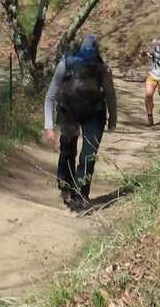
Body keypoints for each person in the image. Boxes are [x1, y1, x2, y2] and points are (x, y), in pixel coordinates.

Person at [43, 33, 118, 210]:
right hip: (69, 111)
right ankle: (65, 186)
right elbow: (50, 96)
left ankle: (80, 194)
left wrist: (112, 119)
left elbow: (110, 94)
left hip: (95, 113)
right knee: (67, 150)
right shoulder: (65, 65)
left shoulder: (103, 69)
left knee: (88, 155)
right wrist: (48, 126)